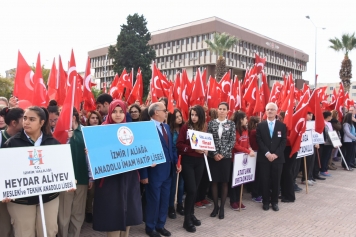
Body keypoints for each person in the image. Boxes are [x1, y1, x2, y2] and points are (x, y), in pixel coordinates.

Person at [2, 106, 61, 237]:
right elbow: (4, 171)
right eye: (25, 118)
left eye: (32, 119)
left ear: (42, 122)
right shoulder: (11, 144)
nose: (26, 122)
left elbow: (61, 170)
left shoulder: (53, 144)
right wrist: (3, 190)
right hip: (21, 200)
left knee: (48, 232)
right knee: (24, 233)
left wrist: (68, 181)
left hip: (48, 198)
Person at [91, 100, 142, 237]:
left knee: (129, 212)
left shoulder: (131, 131)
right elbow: (97, 156)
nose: (118, 115)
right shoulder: (102, 130)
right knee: (113, 215)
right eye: (114, 111)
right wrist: (91, 152)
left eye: (121, 111)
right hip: (109, 180)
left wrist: (150, 158)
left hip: (129, 178)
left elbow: (140, 151)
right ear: (109, 112)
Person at [139, 102, 180, 237]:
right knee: (154, 201)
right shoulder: (146, 128)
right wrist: (144, 175)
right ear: (156, 112)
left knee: (165, 199)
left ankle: (160, 225)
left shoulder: (167, 127)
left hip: (168, 171)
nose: (166, 112)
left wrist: (176, 163)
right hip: (154, 173)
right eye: (164, 110)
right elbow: (142, 152)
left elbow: (172, 148)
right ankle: (150, 227)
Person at [58, 108, 89, 237]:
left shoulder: (86, 132)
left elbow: (90, 158)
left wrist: (91, 177)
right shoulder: (59, 133)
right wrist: (66, 140)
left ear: (73, 118)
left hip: (82, 177)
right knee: (64, 213)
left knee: (78, 212)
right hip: (65, 179)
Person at [176, 105, 206, 232]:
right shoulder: (185, 127)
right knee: (191, 190)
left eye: (196, 115)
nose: (193, 117)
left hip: (200, 162)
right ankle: (186, 220)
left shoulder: (205, 127)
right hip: (188, 161)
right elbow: (179, 144)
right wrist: (193, 149)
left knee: (195, 189)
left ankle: (191, 214)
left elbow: (207, 142)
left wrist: (206, 149)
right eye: (192, 114)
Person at [207, 102, 236, 219]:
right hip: (213, 157)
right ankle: (215, 206)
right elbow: (208, 139)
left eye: (224, 109)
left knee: (224, 182)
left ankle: (222, 207)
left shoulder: (231, 124)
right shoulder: (211, 123)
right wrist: (214, 154)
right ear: (217, 110)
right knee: (214, 182)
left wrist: (222, 154)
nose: (222, 111)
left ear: (228, 111)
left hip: (225, 157)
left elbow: (232, 141)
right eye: (220, 108)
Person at [256, 102, 286, 211]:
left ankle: (274, 202)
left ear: (276, 112)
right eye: (268, 109)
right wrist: (268, 154)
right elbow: (259, 140)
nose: (270, 111)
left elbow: (283, 141)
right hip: (264, 158)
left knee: (276, 181)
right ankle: (265, 202)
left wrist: (276, 154)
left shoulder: (282, 126)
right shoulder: (260, 125)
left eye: (272, 109)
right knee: (265, 180)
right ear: (265, 111)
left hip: (278, 159)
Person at [0, 107, 24, 237]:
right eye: (24, 119)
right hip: (3, 191)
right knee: (4, 225)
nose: (26, 122)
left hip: (21, 190)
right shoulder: (1, 137)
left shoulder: (25, 139)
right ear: (14, 123)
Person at [230, 111, 255, 210]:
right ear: (241, 119)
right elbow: (235, 145)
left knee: (241, 180)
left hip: (243, 159)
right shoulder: (234, 130)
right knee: (235, 181)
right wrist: (247, 151)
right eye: (245, 118)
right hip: (235, 159)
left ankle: (239, 200)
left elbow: (247, 142)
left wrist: (250, 148)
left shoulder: (245, 129)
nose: (246, 120)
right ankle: (233, 201)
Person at [84, 110, 102, 223]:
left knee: (99, 194)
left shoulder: (103, 132)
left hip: (102, 169)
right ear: (88, 120)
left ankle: (98, 212)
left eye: (96, 118)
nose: (95, 120)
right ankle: (88, 212)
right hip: (90, 169)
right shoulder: (85, 133)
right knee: (90, 193)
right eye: (92, 118)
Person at [167, 109, 185, 219]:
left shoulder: (184, 129)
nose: (179, 118)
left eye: (180, 116)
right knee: (173, 185)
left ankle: (180, 204)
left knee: (182, 184)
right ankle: (171, 206)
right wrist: (176, 162)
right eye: (177, 117)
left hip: (184, 159)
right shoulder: (170, 130)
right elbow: (172, 148)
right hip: (174, 159)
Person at [248, 116, 262, 203]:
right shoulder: (254, 132)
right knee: (257, 174)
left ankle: (253, 190)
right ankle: (255, 194)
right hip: (255, 153)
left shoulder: (251, 131)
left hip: (254, 153)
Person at [319, 111, 334, 177]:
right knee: (324, 157)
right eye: (331, 116)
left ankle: (325, 169)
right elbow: (326, 133)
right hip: (326, 143)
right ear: (328, 116)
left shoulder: (329, 123)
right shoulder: (323, 123)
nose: (331, 117)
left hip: (331, 142)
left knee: (328, 156)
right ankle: (323, 170)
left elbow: (332, 132)